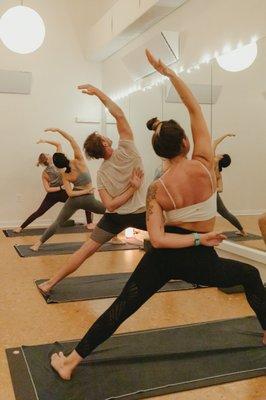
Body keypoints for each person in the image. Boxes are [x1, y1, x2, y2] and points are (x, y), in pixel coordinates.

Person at [50, 50, 266, 380]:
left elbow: (160, 239)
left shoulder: (157, 188)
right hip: (203, 260)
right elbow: (194, 108)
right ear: (184, 141)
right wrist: (168, 72)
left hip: (165, 258)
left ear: (158, 151)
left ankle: (70, 362)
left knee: (122, 307)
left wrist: (195, 236)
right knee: (250, 276)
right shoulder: (206, 162)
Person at [37, 84, 145, 294]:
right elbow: (119, 115)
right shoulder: (128, 149)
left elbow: (110, 205)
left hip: (115, 217)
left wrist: (130, 191)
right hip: (140, 213)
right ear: (104, 143)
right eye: (103, 137)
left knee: (85, 250)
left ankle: (49, 283)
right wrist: (133, 188)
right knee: (172, 233)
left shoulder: (101, 172)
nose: (106, 136)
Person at [30, 128, 106, 251]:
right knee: (110, 212)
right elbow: (71, 139)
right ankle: (115, 237)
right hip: (89, 199)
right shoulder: (79, 160)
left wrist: (83, 192)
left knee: (58, 222)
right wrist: (57, 130)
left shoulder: (65, 175)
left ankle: (37, 244)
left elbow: (70, 193)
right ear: (65, 155)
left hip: (74, 200)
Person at [13, 139, 92, 233]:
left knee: (85, 203)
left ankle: (20, 228)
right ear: (47, 159)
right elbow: (48, 189)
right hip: (59, 193)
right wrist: (45, 141)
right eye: (48, 155)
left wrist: (44, 141)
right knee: (86, 203)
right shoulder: (56, 164)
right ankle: (90, 223)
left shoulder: (48, 170)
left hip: (59, 193)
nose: (50, 155)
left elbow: (48, 189)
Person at [213, 134, 247, 236]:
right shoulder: (218, 172)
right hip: (211, 194)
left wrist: (226, 135)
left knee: (225, 213)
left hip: (208, 195)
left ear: (221, 156)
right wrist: (214, 189)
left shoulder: (212, 160)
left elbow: (214, 143)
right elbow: (221, 189)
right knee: (225, 213)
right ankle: (242, 231)